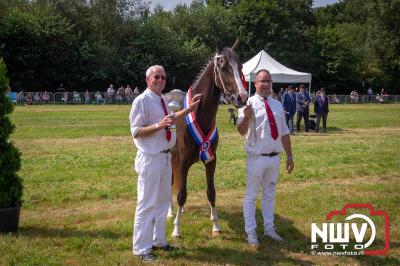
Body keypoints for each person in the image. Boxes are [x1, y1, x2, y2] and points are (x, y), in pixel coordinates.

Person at [129, 65, 202, 262]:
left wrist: (189, 109)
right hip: (150, 158)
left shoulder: (162, 100)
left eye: (163, 77)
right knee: (146, 204)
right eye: (156, 77)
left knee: (162, 202)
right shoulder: (141, 101)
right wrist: (158, 126)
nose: (160, 80)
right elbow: (136, 131)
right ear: (147, 79)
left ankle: (159, 240)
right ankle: (141, 248)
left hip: (165, 157)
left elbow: (171, 118)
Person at [237, 69, 294, 246]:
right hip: (256, 158)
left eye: (268, 81)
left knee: (270, 194)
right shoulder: (248, 104)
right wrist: (246, 118)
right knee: (251, 196)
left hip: (274, 158)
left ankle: (269, 229)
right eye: (262, 81)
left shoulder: (277, 104)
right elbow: (241, 131)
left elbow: (284, 132)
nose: (266, 84)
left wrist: (290, 156)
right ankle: (251, 232)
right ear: (255, 84)